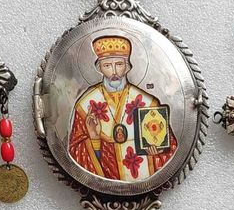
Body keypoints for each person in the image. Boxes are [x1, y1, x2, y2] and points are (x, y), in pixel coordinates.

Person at [68, 36, 177, 181]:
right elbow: (77, 154)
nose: (114, 72)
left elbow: (170, 150)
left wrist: (156, 153)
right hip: (106, 180)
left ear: (127, 67)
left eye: (119, 64)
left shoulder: (148, 102)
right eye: (107, 66)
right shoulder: (86, 105)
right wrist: (94, 139)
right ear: (99, 68)